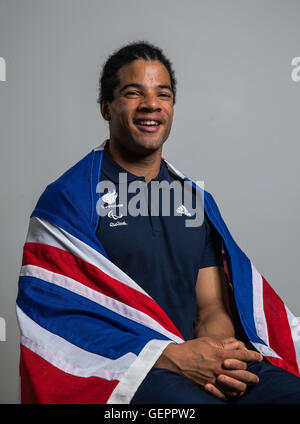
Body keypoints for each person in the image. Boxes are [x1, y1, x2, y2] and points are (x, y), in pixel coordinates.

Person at [16, 41, 300, 404]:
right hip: (127, 374)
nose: (151, 104)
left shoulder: (194, 199)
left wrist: (219, 359)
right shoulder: (70, 198)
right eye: (134, 93)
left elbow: (210, 306)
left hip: (201, 363)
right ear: (106, 108)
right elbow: (59, 322)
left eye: (162, 94)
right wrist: (173, 359)